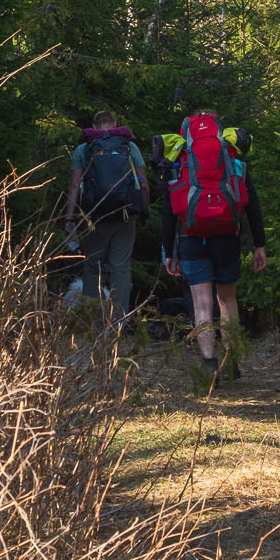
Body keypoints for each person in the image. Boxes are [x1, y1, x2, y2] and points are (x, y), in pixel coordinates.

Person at [161, 111, 265, 380]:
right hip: (227, 236)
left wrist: (168, 251)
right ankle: (232, 361)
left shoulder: (180, 157)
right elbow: (251, 202)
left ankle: (210, 365)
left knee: (202, 305)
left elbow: (169, 209)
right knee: (227, 299)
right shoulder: (231, 157)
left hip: (192, 238)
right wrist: (259, 244)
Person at [64, 110, 148, 323]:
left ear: (94, 125)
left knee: (93, 266)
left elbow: (74, 185)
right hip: (125, 215)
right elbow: (143, 183)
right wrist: (143, 211)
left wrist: (69, 218)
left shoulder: (84, 149)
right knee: (121, 267)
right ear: (115, 123)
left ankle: (93, 319)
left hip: (95, 216)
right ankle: (118, 322)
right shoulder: (129, 147)